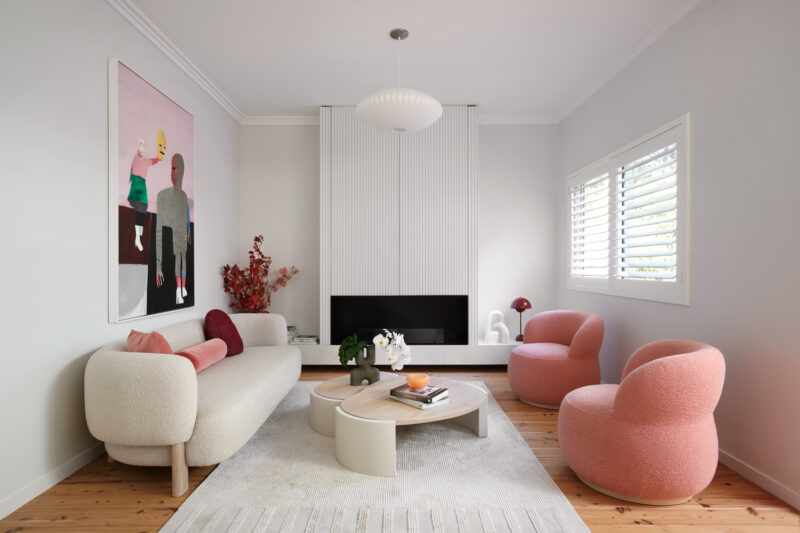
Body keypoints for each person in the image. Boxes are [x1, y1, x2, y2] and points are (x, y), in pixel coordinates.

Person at [156, 153, 191, 304]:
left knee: (183, 257)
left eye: (175, 169)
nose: (172, 172)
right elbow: (158, 228)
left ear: (181, 171)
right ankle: (178, 290)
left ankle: (182, 287)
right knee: (178, 257)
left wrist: (188, 232)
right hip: (170, 235)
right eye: (171, 168)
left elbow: (187, 216)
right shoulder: (163, 195)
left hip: (182, 233)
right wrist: (158, 266)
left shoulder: (183, 197)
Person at [127, 131, 165, 251]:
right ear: (138, 146)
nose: (143, 147)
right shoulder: (135, 158)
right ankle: (138, 236)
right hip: (137, 187)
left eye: (144, 145)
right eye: (141, 145)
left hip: (142, 187)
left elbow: (154, 160)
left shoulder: (145, 161)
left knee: (143, 208)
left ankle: (139, 234)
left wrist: (160, 157)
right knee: (140, 209)